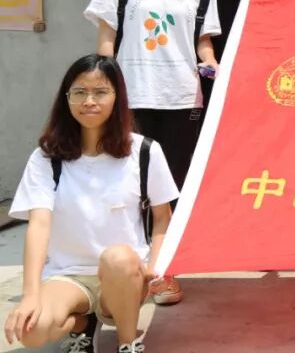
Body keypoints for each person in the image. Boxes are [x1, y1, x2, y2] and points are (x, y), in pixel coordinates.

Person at [85, 0, 221, 307]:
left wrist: (213, 66)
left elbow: (203, 43)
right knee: (125, 186)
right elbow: (106, 39)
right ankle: (123, 271)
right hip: (132, 96)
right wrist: (104, 90)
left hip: (182, 99)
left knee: (171, 188)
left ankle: (164, 272)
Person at [4, 55, 180, 353]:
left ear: (117, 97)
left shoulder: (144, 151)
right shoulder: (46, 158)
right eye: (79, 92)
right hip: (68, 275)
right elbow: (39, 225)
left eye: (100, 92)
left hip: (123, 275)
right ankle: (83, 324)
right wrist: (30, 295)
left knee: (117, 258)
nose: (89, 101)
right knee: (31, 332)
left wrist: (155, 266)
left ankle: (127, 343)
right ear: (66, 98)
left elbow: (163, 217)